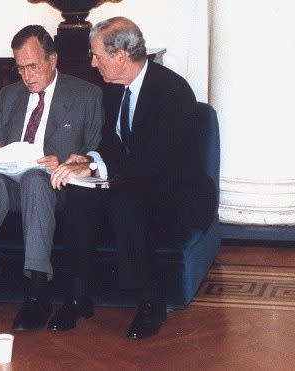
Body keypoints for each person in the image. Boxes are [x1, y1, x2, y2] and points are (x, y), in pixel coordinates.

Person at [49, 17, 217, 339]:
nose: (92, 62)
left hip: (177, 190)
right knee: (81, 193)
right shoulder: (113, 90)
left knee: (127, 200)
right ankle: (77, 295)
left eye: (97, 55)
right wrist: (89, 160)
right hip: (134, 181)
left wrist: (98, 170)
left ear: (122, 55)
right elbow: (111, 145)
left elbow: (155, 161)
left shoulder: (172, 90)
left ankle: (151, 302)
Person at [0, 25, 104, 335]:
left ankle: (37, 294)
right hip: (9, 181)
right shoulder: (9, 95)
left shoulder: (86, 95)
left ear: (53, 59)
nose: (27, 75)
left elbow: (94, 152)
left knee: (35, 178)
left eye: (33, 66)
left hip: (52, 186)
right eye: (20, 68)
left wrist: (62, 163)